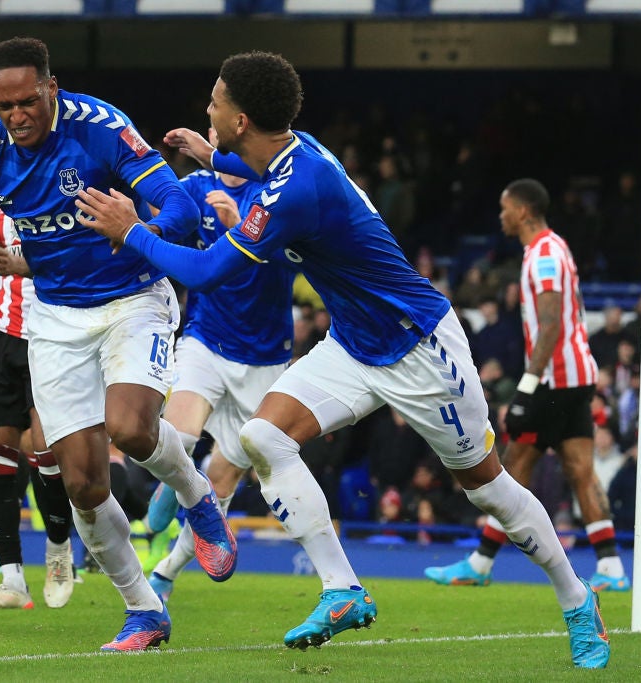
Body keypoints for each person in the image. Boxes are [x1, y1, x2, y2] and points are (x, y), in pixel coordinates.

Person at [75, 52, 609, 668]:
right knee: (262, 437)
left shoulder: (292, 192)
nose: (208, 108)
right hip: (354, 344)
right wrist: (209, 154)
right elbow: (244, 166)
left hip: (419, 348)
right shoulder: (293, 151)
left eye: (215, 102)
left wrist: (131, 230)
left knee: (487, 489)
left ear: (242, 118)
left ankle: (576, 598)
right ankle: (342, 589)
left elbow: (209, 271)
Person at [0, 37, 236, 651]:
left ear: (52, 88)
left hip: (133, 301)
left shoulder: (102, 128)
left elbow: (177, 205)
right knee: (83, 485)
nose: (16, 116)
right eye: (4, 105)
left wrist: (138, 228)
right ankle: (144, 611)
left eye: (26, 102)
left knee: (130, 428)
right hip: (56, 318)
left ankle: (198, 497)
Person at [424, 179, 630, 593]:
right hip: (574, 379)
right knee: (579, 470)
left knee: (509, 468)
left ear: (521, 211)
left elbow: (551, 323)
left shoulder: (545, 255)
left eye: (504, 208)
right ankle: (610, 567)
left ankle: (480, 563)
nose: (500, 215)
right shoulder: (548, 250)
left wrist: (526, 388)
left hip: (555, 382)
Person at [143, 135, 295, 603]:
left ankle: (166, 572)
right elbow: (160, 231)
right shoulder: (193, 187)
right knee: (181, 436)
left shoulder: (275, 189)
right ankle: (176, 481)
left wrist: (237, 229)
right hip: (206, 338)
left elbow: (290, 267)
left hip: (266, 359)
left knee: (221, 486)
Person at [0, 214, 77, 611]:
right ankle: (11, 580)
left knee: (45, 449)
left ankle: (59, 550)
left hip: (53, 336)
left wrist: (30, 264)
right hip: (1, 335)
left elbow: (82, 257)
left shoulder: (63, 194)